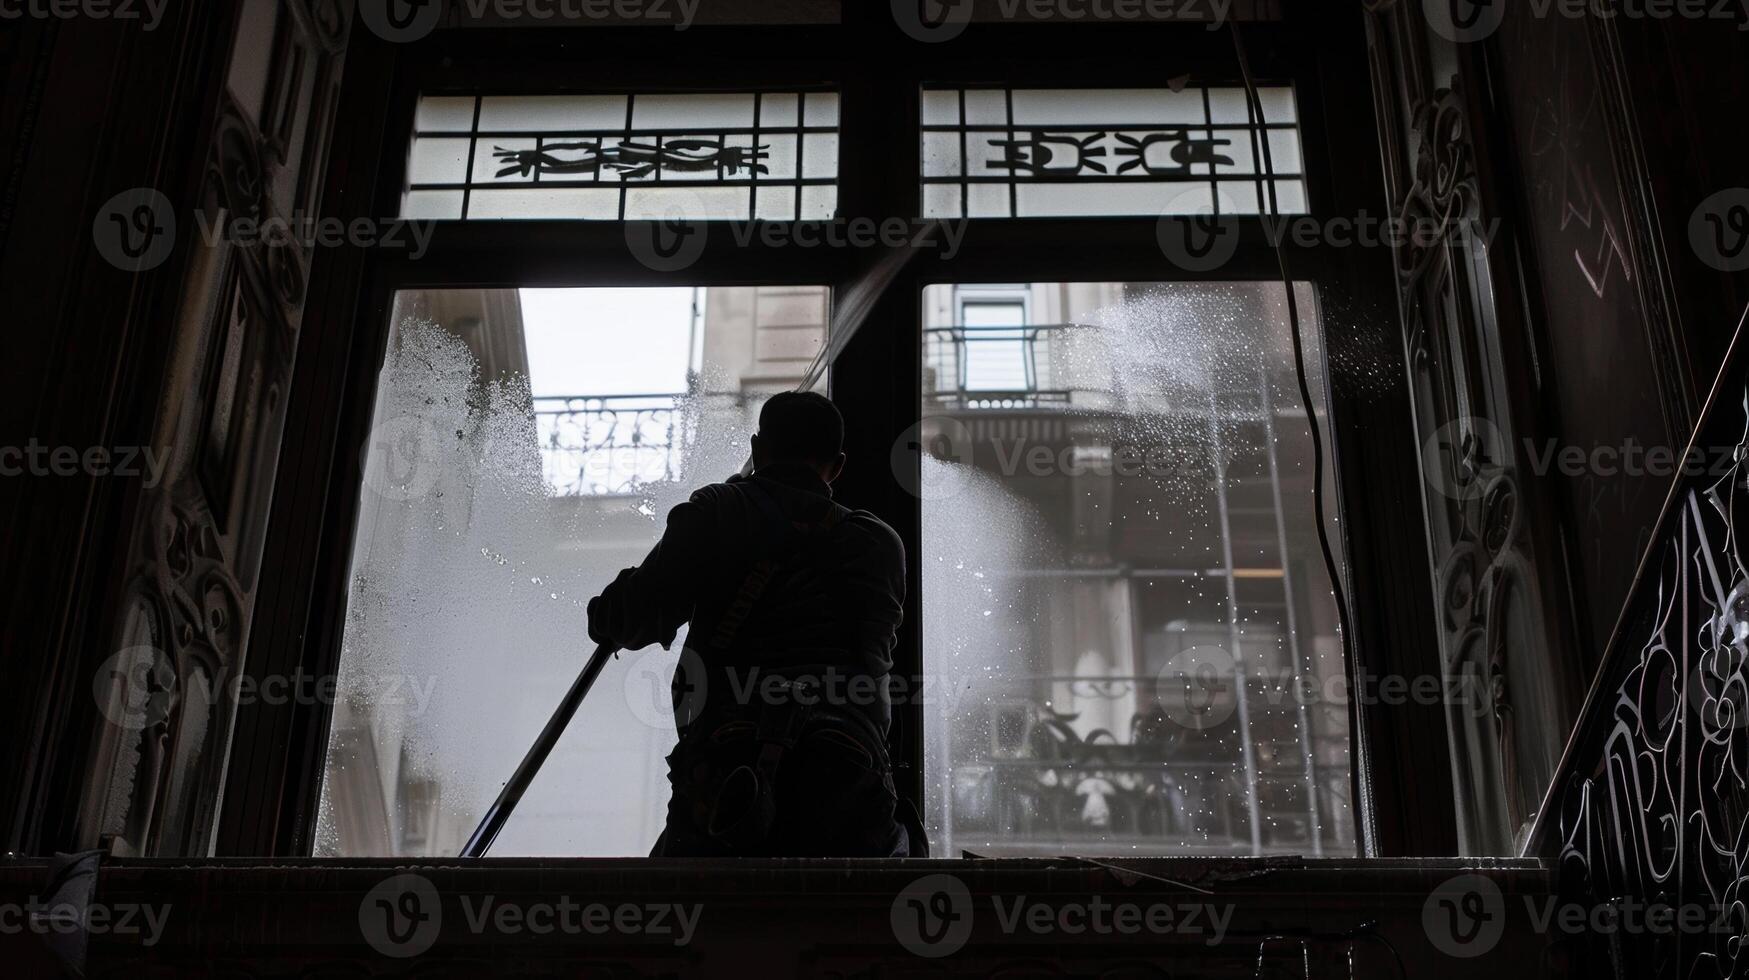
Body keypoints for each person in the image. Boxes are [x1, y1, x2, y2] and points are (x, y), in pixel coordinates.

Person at [587, 391, 918, 856]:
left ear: (757, 450)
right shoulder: (881, 544)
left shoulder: (718, 511)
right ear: (837, 466)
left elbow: (632, 620)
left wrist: (614, 601)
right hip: (851, 782)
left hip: (725, 775)